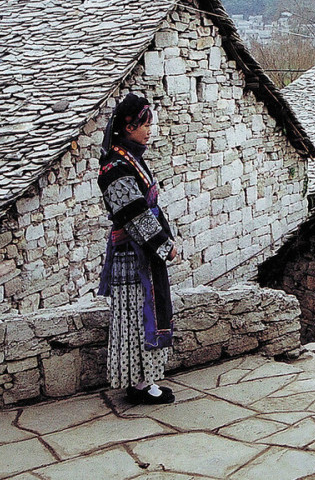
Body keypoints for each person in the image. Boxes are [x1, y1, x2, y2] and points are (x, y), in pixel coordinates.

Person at [96, 93, 178, 404]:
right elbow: (133, 214)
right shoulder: (115, 167)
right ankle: (140, 384)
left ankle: (144, 381)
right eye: (144, 124)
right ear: (128, 126)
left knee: (146, 312)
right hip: (133, 257)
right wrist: (163, 245)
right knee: (138, 315)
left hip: (141, 253)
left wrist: (164, 238)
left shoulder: (130, 159)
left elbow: (147, 206)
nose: (149, 130)